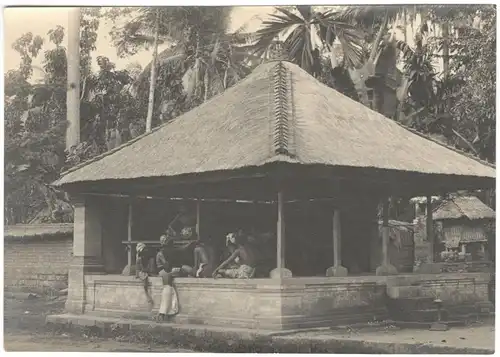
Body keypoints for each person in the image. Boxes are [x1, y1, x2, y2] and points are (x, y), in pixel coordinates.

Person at [135, 243, 154, 309]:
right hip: (142, 272)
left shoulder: (150, 258)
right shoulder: (139, 259)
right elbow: (138, 268)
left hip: (147, 271)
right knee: (145, 280)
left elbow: (150, 267)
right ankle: (148, 296)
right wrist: (138, 274)